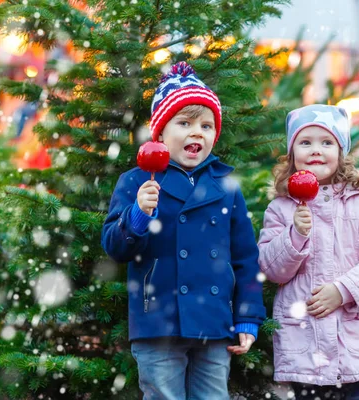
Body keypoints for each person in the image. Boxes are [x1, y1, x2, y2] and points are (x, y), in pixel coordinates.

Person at [101, 62, 265, 400]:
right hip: (158, 320)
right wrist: (137, 215)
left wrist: (247, 317)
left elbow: (246, 259)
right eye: (185, 123)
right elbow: (115, 248)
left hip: (213, 321)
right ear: (160, 133)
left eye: (206, 125)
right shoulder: (136, 181)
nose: (197, 132)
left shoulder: (226, 186)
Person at [258, 104, 359, 400]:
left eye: (326, 143)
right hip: (304, 340)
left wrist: (343, 289)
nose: (316, 150)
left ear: (341, 152)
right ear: (292, 152)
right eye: (305, 142)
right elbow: (272, 268)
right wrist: (295, 234)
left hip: (350, 340)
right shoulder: (281, 209)